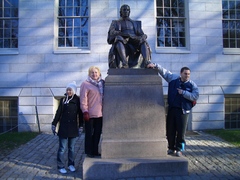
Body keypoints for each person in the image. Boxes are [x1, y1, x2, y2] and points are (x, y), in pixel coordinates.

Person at [148, 63, 199, 157]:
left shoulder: (192, 85)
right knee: (170, 130)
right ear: (181, 73)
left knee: (181, 131)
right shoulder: (173, 79)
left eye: (188, 74)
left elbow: (195, 96)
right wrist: (155, 66)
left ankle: (179, 149)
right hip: (172, 109)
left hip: (183, 111)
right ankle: (171, 148)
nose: (187, 76)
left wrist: (184, 93)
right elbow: (165, 72)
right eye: (185, 73)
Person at [51, 81, 83, 174]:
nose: (69, 91)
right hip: (63, 127)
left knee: (71, 148)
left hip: (73, 127)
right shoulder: (63, 100)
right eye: (67, 90)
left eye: (70, 90)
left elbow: (80, 115)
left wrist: (81, 126)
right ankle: (60, 165)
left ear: (74, 91)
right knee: (62, 148)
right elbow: (58, 113)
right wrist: (54, 123)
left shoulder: (77, 101)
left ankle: (71, 164)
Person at [107, 4, 151, 68]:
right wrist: (124, 35)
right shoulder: (116, 23)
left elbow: (142, 34)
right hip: (123, 42)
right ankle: (125, 63)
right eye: (124, 10)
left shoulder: (135, 23)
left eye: (127, 10)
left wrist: (143, 36)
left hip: (135, 42)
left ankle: (146, 62)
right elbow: (112, 32)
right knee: (118, 39)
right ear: (121, 12)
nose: (126, 11)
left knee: (143, 41)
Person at [80, 66, 104, 158]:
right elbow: (83, 99)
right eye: (92, 73)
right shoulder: (85, 84)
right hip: (90, 114)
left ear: (99, 73)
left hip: (100, 113)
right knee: (89, 134)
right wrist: (85, 111)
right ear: (89, 74)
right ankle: (89, 151)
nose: (94, 74)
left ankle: (95, 150)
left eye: (96, 72)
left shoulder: (102, 83)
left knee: (97, 133)